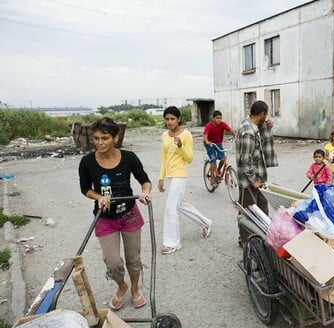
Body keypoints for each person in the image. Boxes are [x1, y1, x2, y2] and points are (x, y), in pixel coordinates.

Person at [78, 117, 151, 310]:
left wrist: (145, 192)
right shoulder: (87, 162)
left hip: (129, 214)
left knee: (133, 260)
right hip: (105, 218)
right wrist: (98, 197)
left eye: (105, 138)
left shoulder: (129, 158)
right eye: (96, 138)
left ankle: (135, 289)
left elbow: (144, 179)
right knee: (112, 263)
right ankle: (122, 285)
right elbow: (85, 188)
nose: (100, 143)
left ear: (115, 138)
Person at [158, 106, 212, 254]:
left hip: (180, 175)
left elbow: (189, 158)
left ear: (179, 119)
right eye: (167, 119)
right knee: (180, 204)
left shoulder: (186, 135)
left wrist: (181, 146)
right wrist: (161, 177)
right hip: (170, 175)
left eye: (172, 119)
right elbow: (164, 157)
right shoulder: (164, 135)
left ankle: (172, 243)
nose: (169, 122)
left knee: (170, 208)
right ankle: (206, 223)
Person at [236, 100, 278, 244]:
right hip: (249, 181)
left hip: (259, 177)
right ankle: (246, 242)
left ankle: (261, 239)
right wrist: (253, 180)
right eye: (266, 115)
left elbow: (262, 140)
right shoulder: (248, 131)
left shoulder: (252, 125)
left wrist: (267, 127)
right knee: (248, 213)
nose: (266, 118)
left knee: (262, 210)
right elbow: (245, 159)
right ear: (262, 114)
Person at [203, 110, 235, 184]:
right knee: (213, 159)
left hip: (218, 144)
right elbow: (205, 134)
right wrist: (207, 141)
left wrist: (235, 135)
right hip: (210, 144)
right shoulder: (209, 125)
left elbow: (230, 130)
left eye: (220, 118)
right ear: (213, 118)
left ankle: (218, 171)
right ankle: (212, 177)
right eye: (217, 118)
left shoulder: (223, 124)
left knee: (223, 159)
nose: (219, 120)